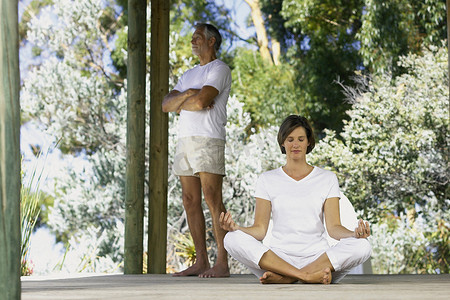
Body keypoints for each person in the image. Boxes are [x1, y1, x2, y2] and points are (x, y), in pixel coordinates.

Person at [219, 115, 371, 284]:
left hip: (319, 259)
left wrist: (354, 234)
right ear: (283, 143)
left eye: (300, 139)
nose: (295, 144)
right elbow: (260, 230)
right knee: (231, 239)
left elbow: (334, 228)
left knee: (362, 246)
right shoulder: (267, 179)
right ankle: (305, 277)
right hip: (279, 259)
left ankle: (287, 277)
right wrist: (236, 228)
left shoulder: (327, 178)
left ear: (308, 142)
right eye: (290, 139)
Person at [162, 23, 231, 278]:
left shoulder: (220, 69)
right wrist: (189, 94)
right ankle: (201, 261)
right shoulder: (188, 75)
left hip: (209, 139)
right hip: (185, 141)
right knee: (190, 201)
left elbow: (203, 101)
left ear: (211, 41)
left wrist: (187, 100)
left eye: (198, 37)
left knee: (213, 200)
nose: (193, 41)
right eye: (192, 38)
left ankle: (222, 263)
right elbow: (166, 105)